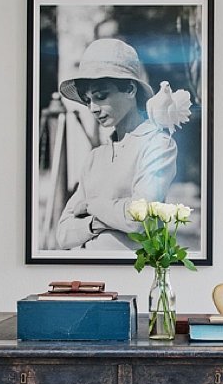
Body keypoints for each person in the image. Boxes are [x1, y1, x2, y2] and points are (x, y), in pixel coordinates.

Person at [54, 38, 177, 250]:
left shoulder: (158, 144)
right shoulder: (95, 157)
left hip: (133, 268)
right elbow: (63, 234)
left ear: (129, 89)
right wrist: (97, 223)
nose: (93, 108)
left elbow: (138, 218)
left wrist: (90, 205)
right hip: (87, 268)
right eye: (87, 100)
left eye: (101, 96)